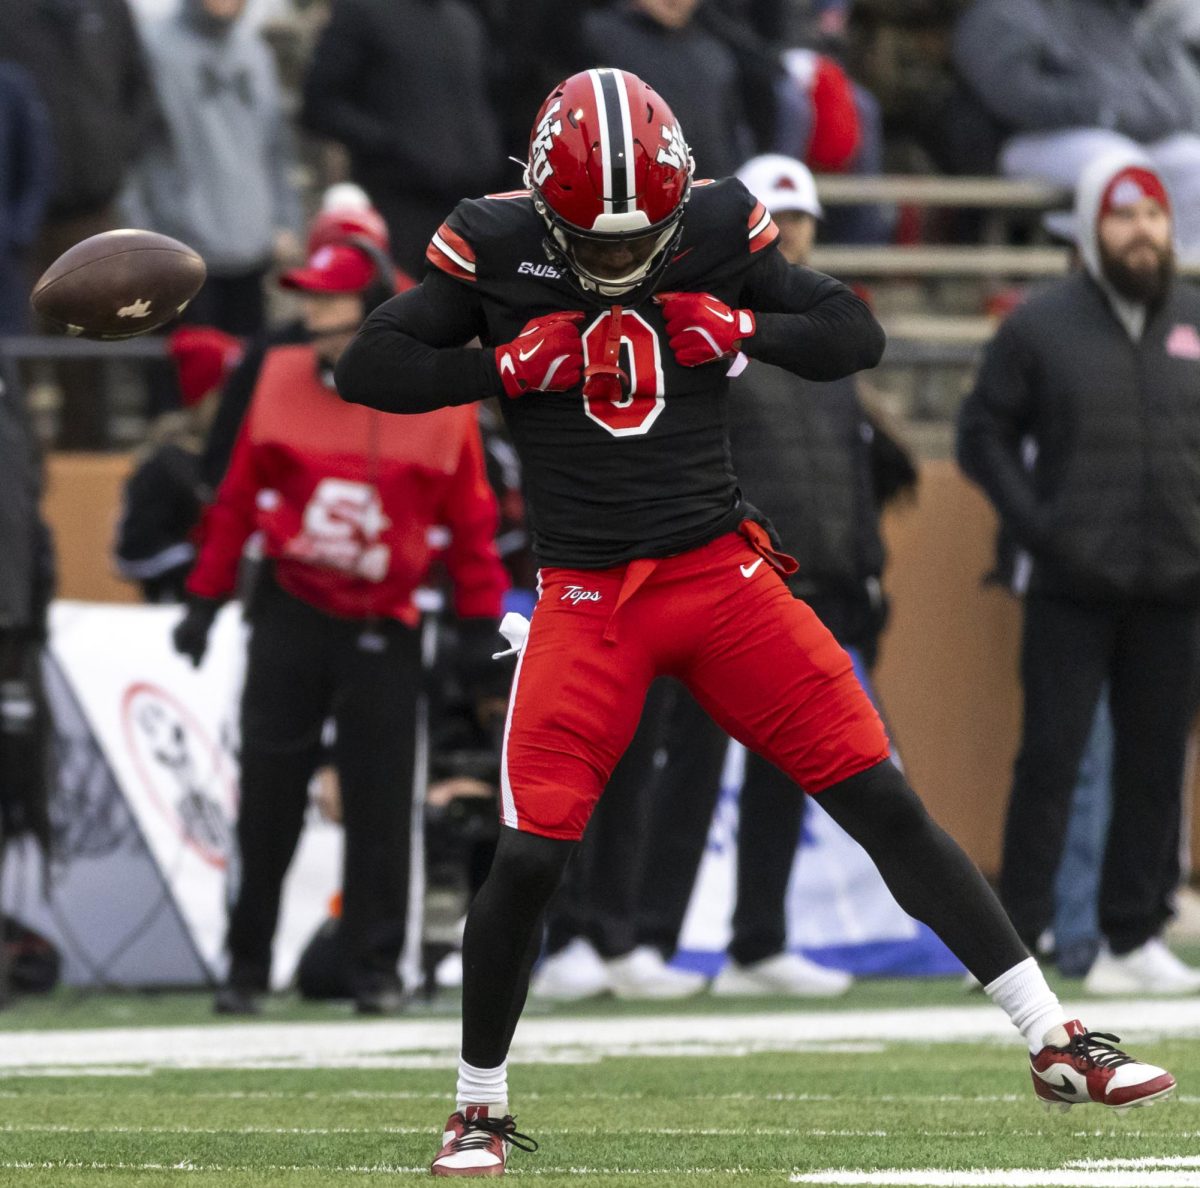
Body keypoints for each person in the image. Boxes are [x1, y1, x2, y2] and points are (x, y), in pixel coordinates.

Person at [335, 69, 1177, 1176]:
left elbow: (850, 333)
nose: (616, 261)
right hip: (587, 600)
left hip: (720, 575)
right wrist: (499, 361)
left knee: (882, 797)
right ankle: (477, 1105)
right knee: (532, 857)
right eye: (589, 242)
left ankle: (1055, 1039)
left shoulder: (718, 224)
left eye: (637, 240)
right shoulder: (492, 243)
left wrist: (741, 326)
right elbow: (368, 364)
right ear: (542, 205)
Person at [532, 154, 915, 1003]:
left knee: (783, 770)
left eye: (805, 217)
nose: (796, 232)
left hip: (795, 584)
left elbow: (851, 471)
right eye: (781, 216)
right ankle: (610, 932)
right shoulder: (683, 322)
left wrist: (866, 567)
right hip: (695, 573)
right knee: (645, 762)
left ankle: (745, 936)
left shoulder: (806, 331)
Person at [172, 239, 509, 1016]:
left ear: (373, 311)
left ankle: (374, 968)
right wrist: (203, 596)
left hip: (385, 620)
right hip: (292, 609)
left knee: (382, 802)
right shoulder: (277, 375)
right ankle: (246, 967)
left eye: (329, 301)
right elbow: (234, 499)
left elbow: (471, 523)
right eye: (310, 301)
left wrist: (474, 621)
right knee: (268, 796)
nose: (313, 316)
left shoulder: (436, 395)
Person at [957, 149, 1200, 997]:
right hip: (1072, 584)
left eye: (1155, 216)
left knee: (1157, 762)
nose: (1143, 232)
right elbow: (980, 434)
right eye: (1125, 215)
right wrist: (1042, 529)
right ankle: (1015, 943)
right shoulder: (1041, 324)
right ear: (1094, 228)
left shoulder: (1194, 321)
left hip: (1174, 586)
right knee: (1051, 760)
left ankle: (1135, 935)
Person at [0, 0, 157, 447]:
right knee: (16, 360)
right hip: (17, 225)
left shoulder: (109, 11)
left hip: (91, 211)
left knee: (90, 353)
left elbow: (140, 90)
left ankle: (88, 472)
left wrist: (113, 153)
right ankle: (15, 469)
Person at [952, 0, 1200, 257]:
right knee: (1122, 171)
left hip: (1124, 134)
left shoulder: (1120, 15)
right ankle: (1130, 281)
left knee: (1194, 164)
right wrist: (1104, 111)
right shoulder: (1001, 11)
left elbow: (1175, 95)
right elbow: (1013, 96)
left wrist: (1136, 115)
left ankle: (1187, 278)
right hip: (1029, 139)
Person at [120, 0, 303, 337]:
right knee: (184, 381)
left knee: (245, 378)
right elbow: (131, 153)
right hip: (178, 254)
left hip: (253, 249)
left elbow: (276, 147)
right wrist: (142, 240)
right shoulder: (152, 50)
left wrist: (284, 221)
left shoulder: (255, 53)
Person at [299, 0, 504, 278]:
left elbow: (480, 103)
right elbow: (320, 105)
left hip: (467, 210)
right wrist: (392, 147)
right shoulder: (362, 11)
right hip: (397, 207)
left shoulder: (464, 19)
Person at [113, 326, 244, 603]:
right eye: (228, 392)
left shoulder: (242, 453)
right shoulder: (162, 465)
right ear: (205, 398)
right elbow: (131, 552)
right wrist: (198, 562)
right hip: (178, 614)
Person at [0, 63, 54, 334]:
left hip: (4, 259)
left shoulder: (11, 86)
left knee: (10, 355)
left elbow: (37, 167)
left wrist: (19, 232)